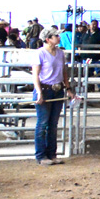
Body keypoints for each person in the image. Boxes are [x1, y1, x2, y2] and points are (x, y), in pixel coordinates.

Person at [31, 27, 74, 166]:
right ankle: (41, 155)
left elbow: (64, 72)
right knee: (43, 123)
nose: (59, 37)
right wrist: (39, 92)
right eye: (56, 35)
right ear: (48, 39)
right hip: (45, 89)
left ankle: (52, 154)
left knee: (53, 124)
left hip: (57, 89)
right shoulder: (40, 53)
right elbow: (35, 75)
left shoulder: (60, 53)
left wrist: (68, 88)